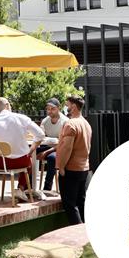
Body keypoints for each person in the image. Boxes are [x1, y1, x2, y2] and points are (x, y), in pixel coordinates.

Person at [0, 97, 45, 202]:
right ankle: (20, 189)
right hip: (20, 162)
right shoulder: (21, 118)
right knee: (29, 160)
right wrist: (31, 149)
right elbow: (40, 134)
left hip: (1, 163)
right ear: (7, 105)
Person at [56, 94, 92, 225]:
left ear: (74, 107)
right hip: (84, 168)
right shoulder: (86, 123)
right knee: (81, 202)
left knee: (70, 205)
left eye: (67, 105)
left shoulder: (71, 124)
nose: (65, 108)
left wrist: (61, 167)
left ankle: (78, 232)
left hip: (71, 169)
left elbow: (67, 148)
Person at [37, 98, 68, 192]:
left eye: (52, 109)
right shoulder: (45, 121)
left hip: (60, 148)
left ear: (58, 108)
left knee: (52, 158)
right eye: (48, 109)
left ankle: (47, 188)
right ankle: (27, 187)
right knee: (29, 154)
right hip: (47, 146)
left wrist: (46, 152)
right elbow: (40, 136)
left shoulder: (65, 121)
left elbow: (63, 143)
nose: (49, 111)